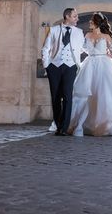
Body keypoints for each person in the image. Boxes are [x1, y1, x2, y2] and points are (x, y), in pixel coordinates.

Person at [41, 7, 85, 136]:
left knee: (67, 96)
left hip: (71, 66)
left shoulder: (79, 32)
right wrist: (47, 66)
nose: (77, 18)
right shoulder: (54, 30)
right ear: (67, 17)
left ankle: (64, 128)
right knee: (55, 97)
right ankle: (58, 124)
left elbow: (81, 49)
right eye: (75, 16)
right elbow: (45, 49)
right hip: (54, 66)